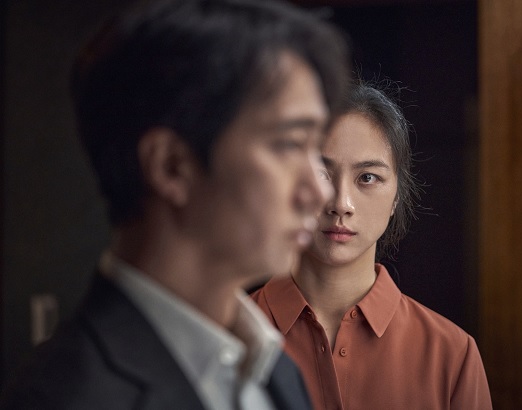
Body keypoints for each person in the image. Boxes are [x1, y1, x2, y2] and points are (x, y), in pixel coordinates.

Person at [0, 0, 349, 408]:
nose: (321, 192)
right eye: (289, 144)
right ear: (171, 167)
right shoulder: (64, 397)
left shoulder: (275, 369)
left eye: (315, 150)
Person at [252, 80, 493, 409]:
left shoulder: (452, 354)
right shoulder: (227, 336)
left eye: (367, 177)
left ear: (396, 197)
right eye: (321, 173)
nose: (341, 203)